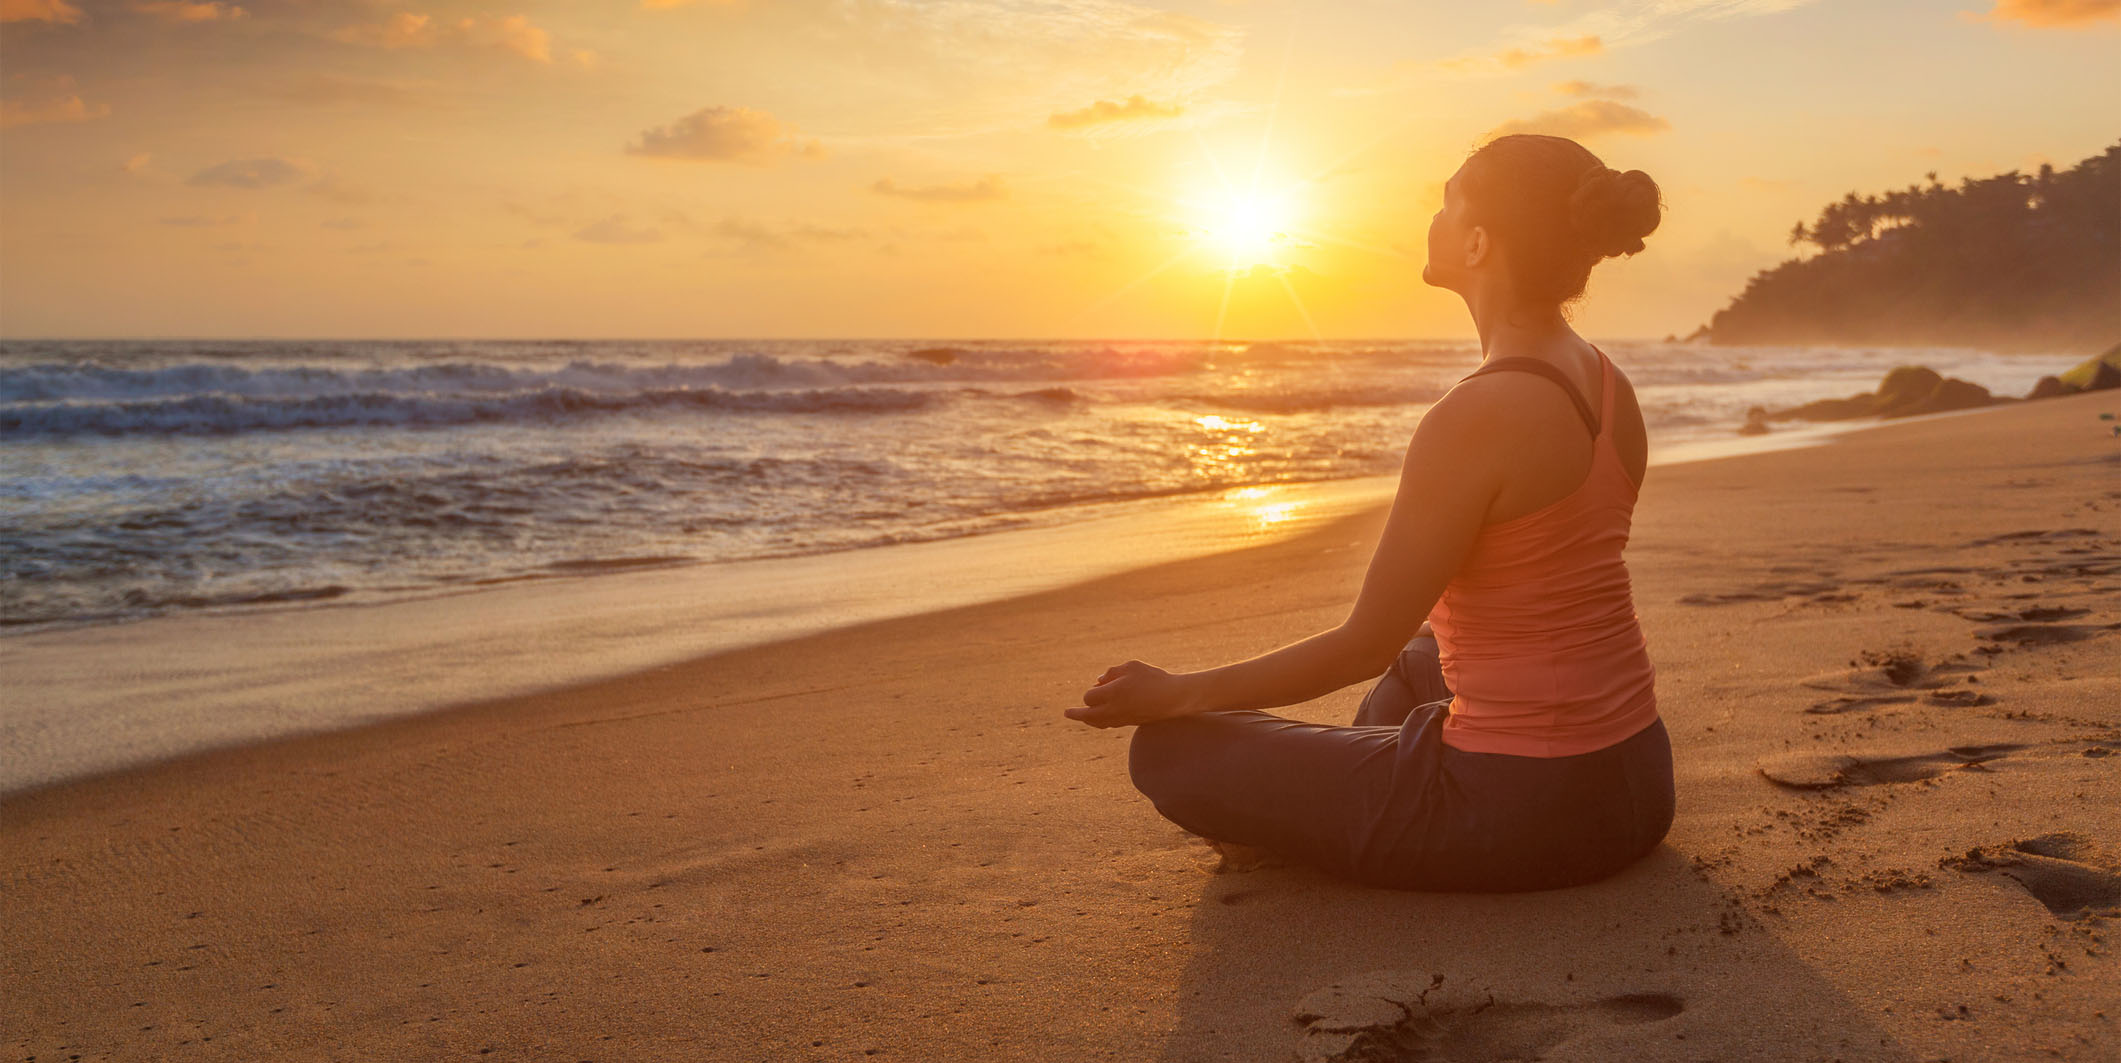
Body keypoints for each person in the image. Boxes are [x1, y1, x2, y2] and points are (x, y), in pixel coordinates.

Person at [1063, 134, 1675, 893]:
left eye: (1448, 202)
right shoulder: (1606, 381)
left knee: (1169, 749)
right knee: (1421, 654)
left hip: (1522, 812)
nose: (1435, 218)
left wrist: (1177, 690)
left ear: (1478, 242)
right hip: (1639, 781)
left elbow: (1358, 643)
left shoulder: (1477, 412)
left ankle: (1342, 805)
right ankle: (1353, 786)